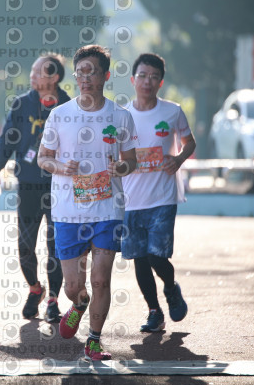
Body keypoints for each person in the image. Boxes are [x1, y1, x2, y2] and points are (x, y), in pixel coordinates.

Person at [38, 45, 138, 360]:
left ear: (105, 76)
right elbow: (43, 158)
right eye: (80, 72)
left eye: (91, 71)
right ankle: (79, 304)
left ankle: (94, 340)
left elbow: (131, 160)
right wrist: (60, 167)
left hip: (108, 208)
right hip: (68, 210)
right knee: (72, 286)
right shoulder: (59, 114)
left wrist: (121, 167)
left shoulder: (121, 116)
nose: (84, 78)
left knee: (100, 279)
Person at [0, 54, 70, 323]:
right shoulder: (22, 104)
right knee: (25, 245)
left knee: (55, 244)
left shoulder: (69, 105)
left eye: (38, 72)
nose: (32, 75)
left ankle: (53, 300)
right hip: (28, 185)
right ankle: (35, 288)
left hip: (59, 185)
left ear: (54, 77)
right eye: (32, 71)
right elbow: (7, 138)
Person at [121, 53, 196, 333]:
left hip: (163, 197)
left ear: (160, 82)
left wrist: (178, 159)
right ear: (133, 80)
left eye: (153, 77)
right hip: (130, 200)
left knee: (156, 255)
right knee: (139, 258)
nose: (147, 82)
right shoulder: (121, 116)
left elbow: (189, 142)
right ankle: (154, 311)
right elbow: (111, 153)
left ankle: (171, 288)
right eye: (142, 76)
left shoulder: (172, 111)